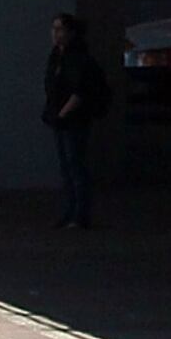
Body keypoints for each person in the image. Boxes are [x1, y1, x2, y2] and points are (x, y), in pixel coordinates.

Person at [40, 13, 110, 229]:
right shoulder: (56, 56)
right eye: (54, 29)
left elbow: (80, 90)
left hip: (74, 119)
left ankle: (80, 213)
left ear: (71, 32)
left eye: (60, 29)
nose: (55, 34)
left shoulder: (78, 58)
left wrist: (64, 112)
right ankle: (70, 210)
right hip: (59, 117)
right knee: (67, 167)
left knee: (75, 165)